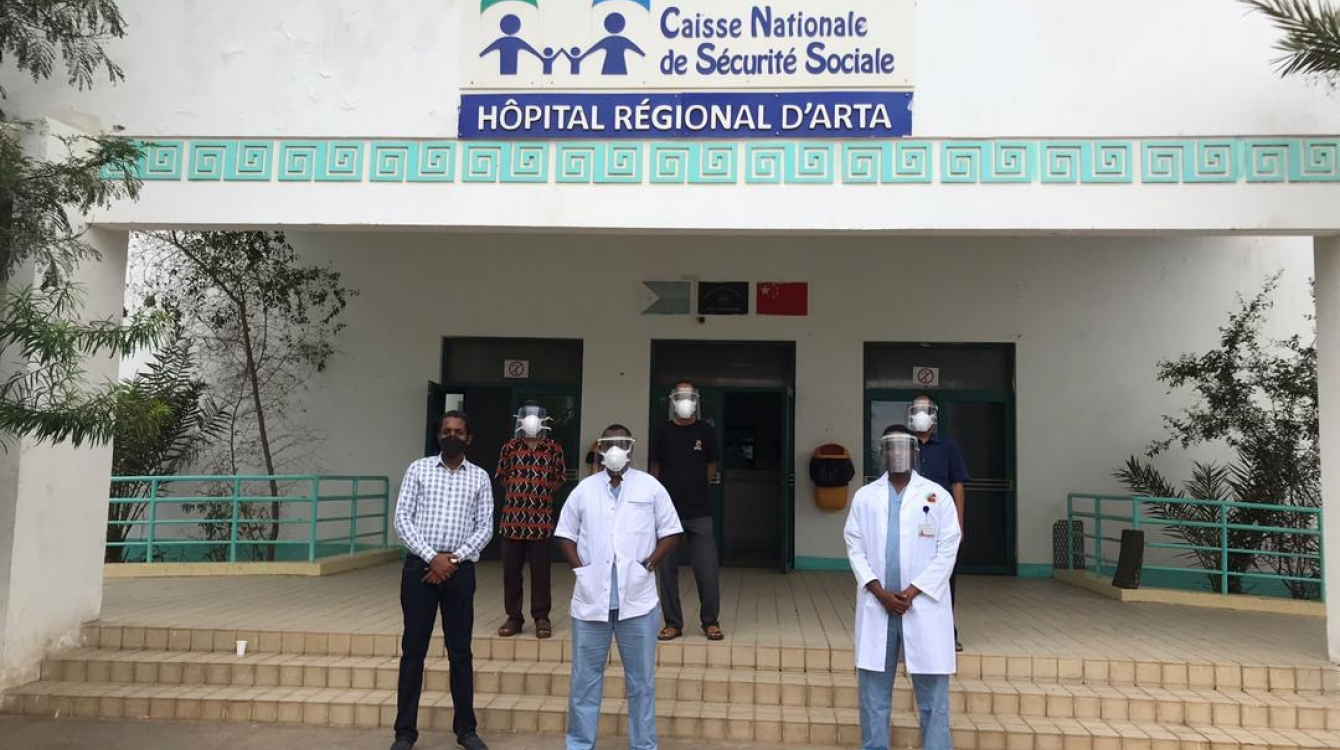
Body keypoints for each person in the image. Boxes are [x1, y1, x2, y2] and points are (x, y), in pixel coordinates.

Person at [554, 425, 683, 750]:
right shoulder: (584, 489)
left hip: (638, 604)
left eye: (621, 443)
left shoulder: (650, 487)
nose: (614, 449)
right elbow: (565, 533)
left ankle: (643, 746)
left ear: (631, 448)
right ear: (599, 449)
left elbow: (671, 532)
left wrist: (649, 565)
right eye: (608, 444)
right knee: (584, 682)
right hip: (591, 604)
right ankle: (579, 745)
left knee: (641, 684)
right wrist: (580, 569)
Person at [844, 425, 961, 750]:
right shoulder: (865, 497)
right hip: (878, 606)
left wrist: (912, 591)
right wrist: (879, 591)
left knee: (933, 699)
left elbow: (949, 546)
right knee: (873, 697)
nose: (898, 453)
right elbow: (854, 545)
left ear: (915, 453)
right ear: (883, 453)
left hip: (921, 606)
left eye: (905, 448)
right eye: (891, 448)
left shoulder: (938, 496)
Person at [390, 411, 493, 750]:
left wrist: (454, 559)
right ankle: (404, 732)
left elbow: (485, 527)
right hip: (419, 569)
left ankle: (466, 730)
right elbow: (402, 519)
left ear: (469, 438)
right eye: (446, 431)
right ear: (439, 436)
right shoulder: (418, 470)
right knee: (413, 652)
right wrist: (432, 556)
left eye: (459, 432)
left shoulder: (479, 477)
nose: (452, 436)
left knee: (460, 652)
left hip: (459, 572)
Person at [651, 381, 723, 641]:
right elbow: (655, 467)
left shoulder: (706, 431)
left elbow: (710, 467)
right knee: (667, 570)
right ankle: (673, 623)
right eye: (680, 396)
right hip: (668, 515)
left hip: (700, 512)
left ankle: (710, 621)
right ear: (673, 401)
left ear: (696, 401)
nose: (685, 401)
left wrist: (694, 487)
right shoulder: (662, 431)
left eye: (689, 396)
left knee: (707, 568)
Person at [495, 402, 567, 639]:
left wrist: (540, 494)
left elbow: (559, 478)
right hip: (512, 521)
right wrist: (521, 494)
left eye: (536, 417)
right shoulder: (509, 447)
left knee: (540, 573)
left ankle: (541, 617)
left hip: (541, 521)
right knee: (511, 573)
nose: (531, 421)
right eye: (527, 417)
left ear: (544, 421)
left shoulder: (553, 449)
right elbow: (503, 477)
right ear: (520, 420)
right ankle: (514, 617)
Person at [907, 394, 970, 652]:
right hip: (910, 525)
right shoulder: (905, 444)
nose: (921, 414)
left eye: (926, 409)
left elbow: (958, 484)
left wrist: (958, 523)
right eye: (917, 409)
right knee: (911, 575)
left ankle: (947, 632)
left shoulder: (948, 446)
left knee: (944, 578)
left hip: (940, 525)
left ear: (934, 414)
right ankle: (912, 633)